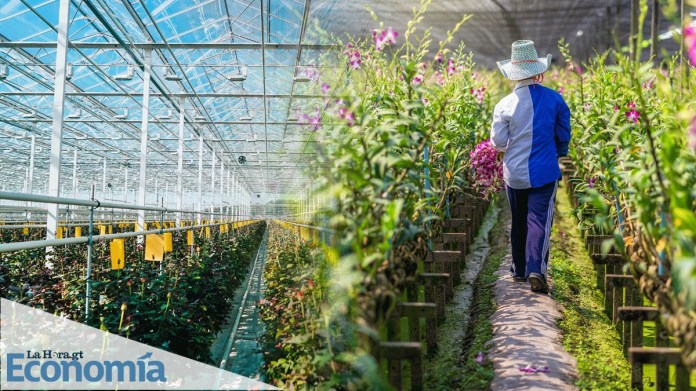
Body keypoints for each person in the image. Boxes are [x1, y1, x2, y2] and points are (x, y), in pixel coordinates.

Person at [490, 40, 571, 294]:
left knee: (519, 221)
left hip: (514, 174)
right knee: (538, 221)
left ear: (513, 73)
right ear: (538, 71)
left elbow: (498, 142)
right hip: (544, 172)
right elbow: (563, 134)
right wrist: (558, 151)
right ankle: (536, 270)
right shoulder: (555, 100)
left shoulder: (504, 104)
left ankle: (519, 270)